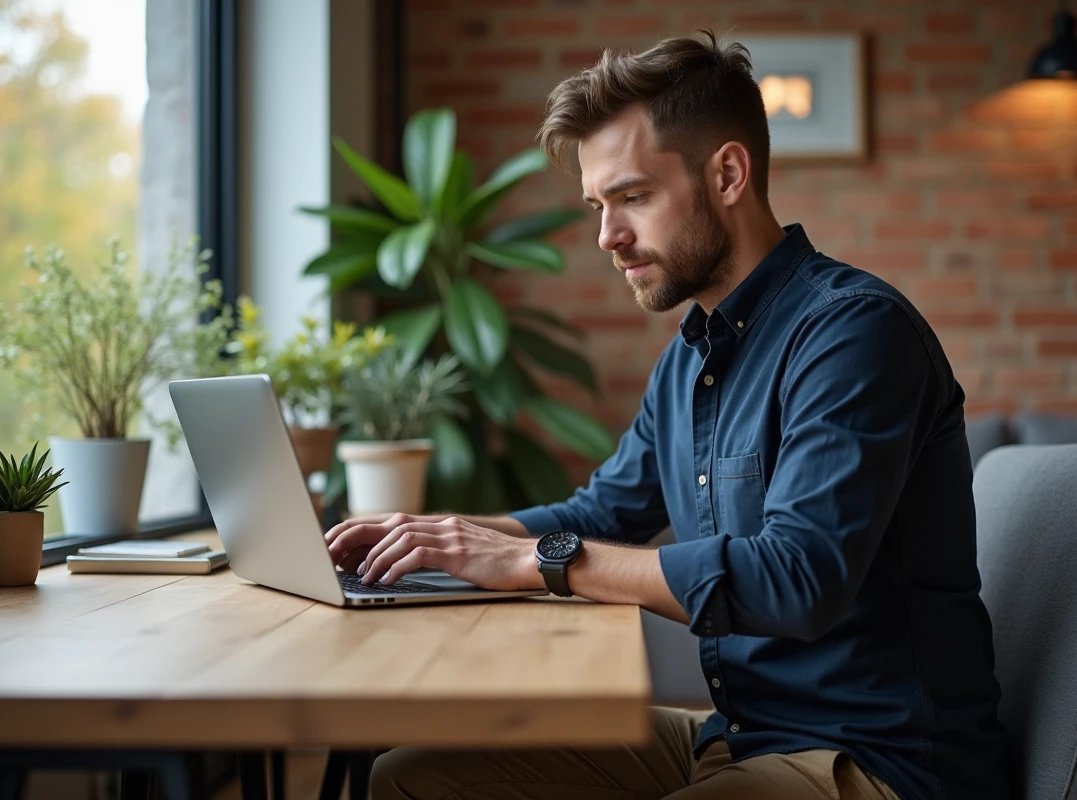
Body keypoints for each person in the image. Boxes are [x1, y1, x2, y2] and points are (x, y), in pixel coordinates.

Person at [325, 28, 1010, 800]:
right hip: (741, 733)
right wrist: (450, 541)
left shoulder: (854, 333)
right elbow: (604, 510)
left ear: (726, 174)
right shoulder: (690, 358)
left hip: (878, 761)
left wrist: (543, 561)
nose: (607, 237)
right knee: (411, 780)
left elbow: (800, 577)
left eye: (633, 197)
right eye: (597, 205)